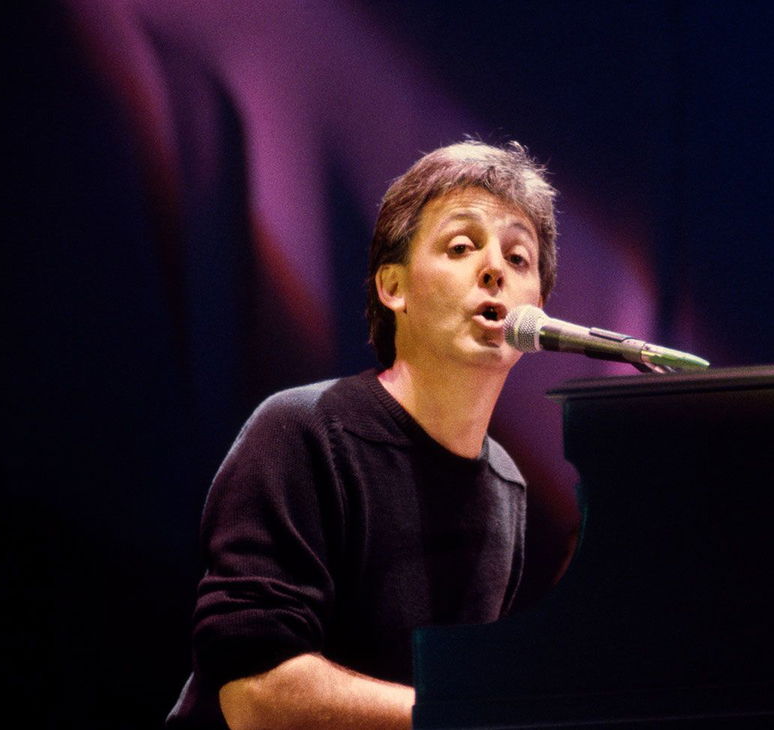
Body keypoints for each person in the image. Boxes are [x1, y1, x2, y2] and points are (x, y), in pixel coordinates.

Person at [166, 140, 559, 729]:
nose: (494, 269)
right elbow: (253, 695)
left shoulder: (506, 485)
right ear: (392, 287)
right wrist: (466, 715)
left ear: (539, 312)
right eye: (460, 245)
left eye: (519, 258)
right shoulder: (301, 432)